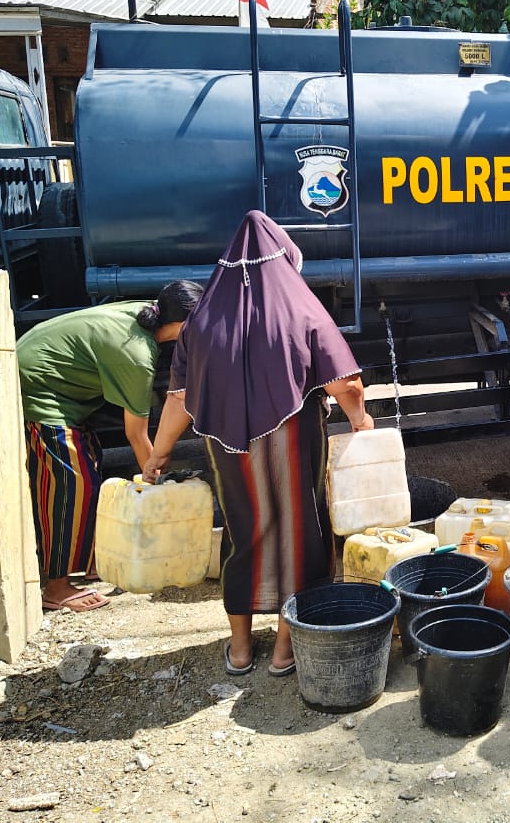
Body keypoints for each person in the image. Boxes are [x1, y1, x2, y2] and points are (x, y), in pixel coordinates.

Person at [143, 211, 374, 678]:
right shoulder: (302, 309)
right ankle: (285, 651)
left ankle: (241, 649)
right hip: (292, 437)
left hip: (228, 444)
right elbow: (346, 383)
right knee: (301, 532)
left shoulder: (200, 322)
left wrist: (158, 454)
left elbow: (179, 398)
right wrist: (360, 420)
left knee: (242, 529)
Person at [18, 280, 204, 612]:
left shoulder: (149, 312)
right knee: (72, 484)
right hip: (39, 385)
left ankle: (95, 560)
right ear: (182, 325)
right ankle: (56, 586)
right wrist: (157, 488)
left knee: (91, 469)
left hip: (65, 388)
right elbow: (136, 435)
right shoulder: (137, 355)